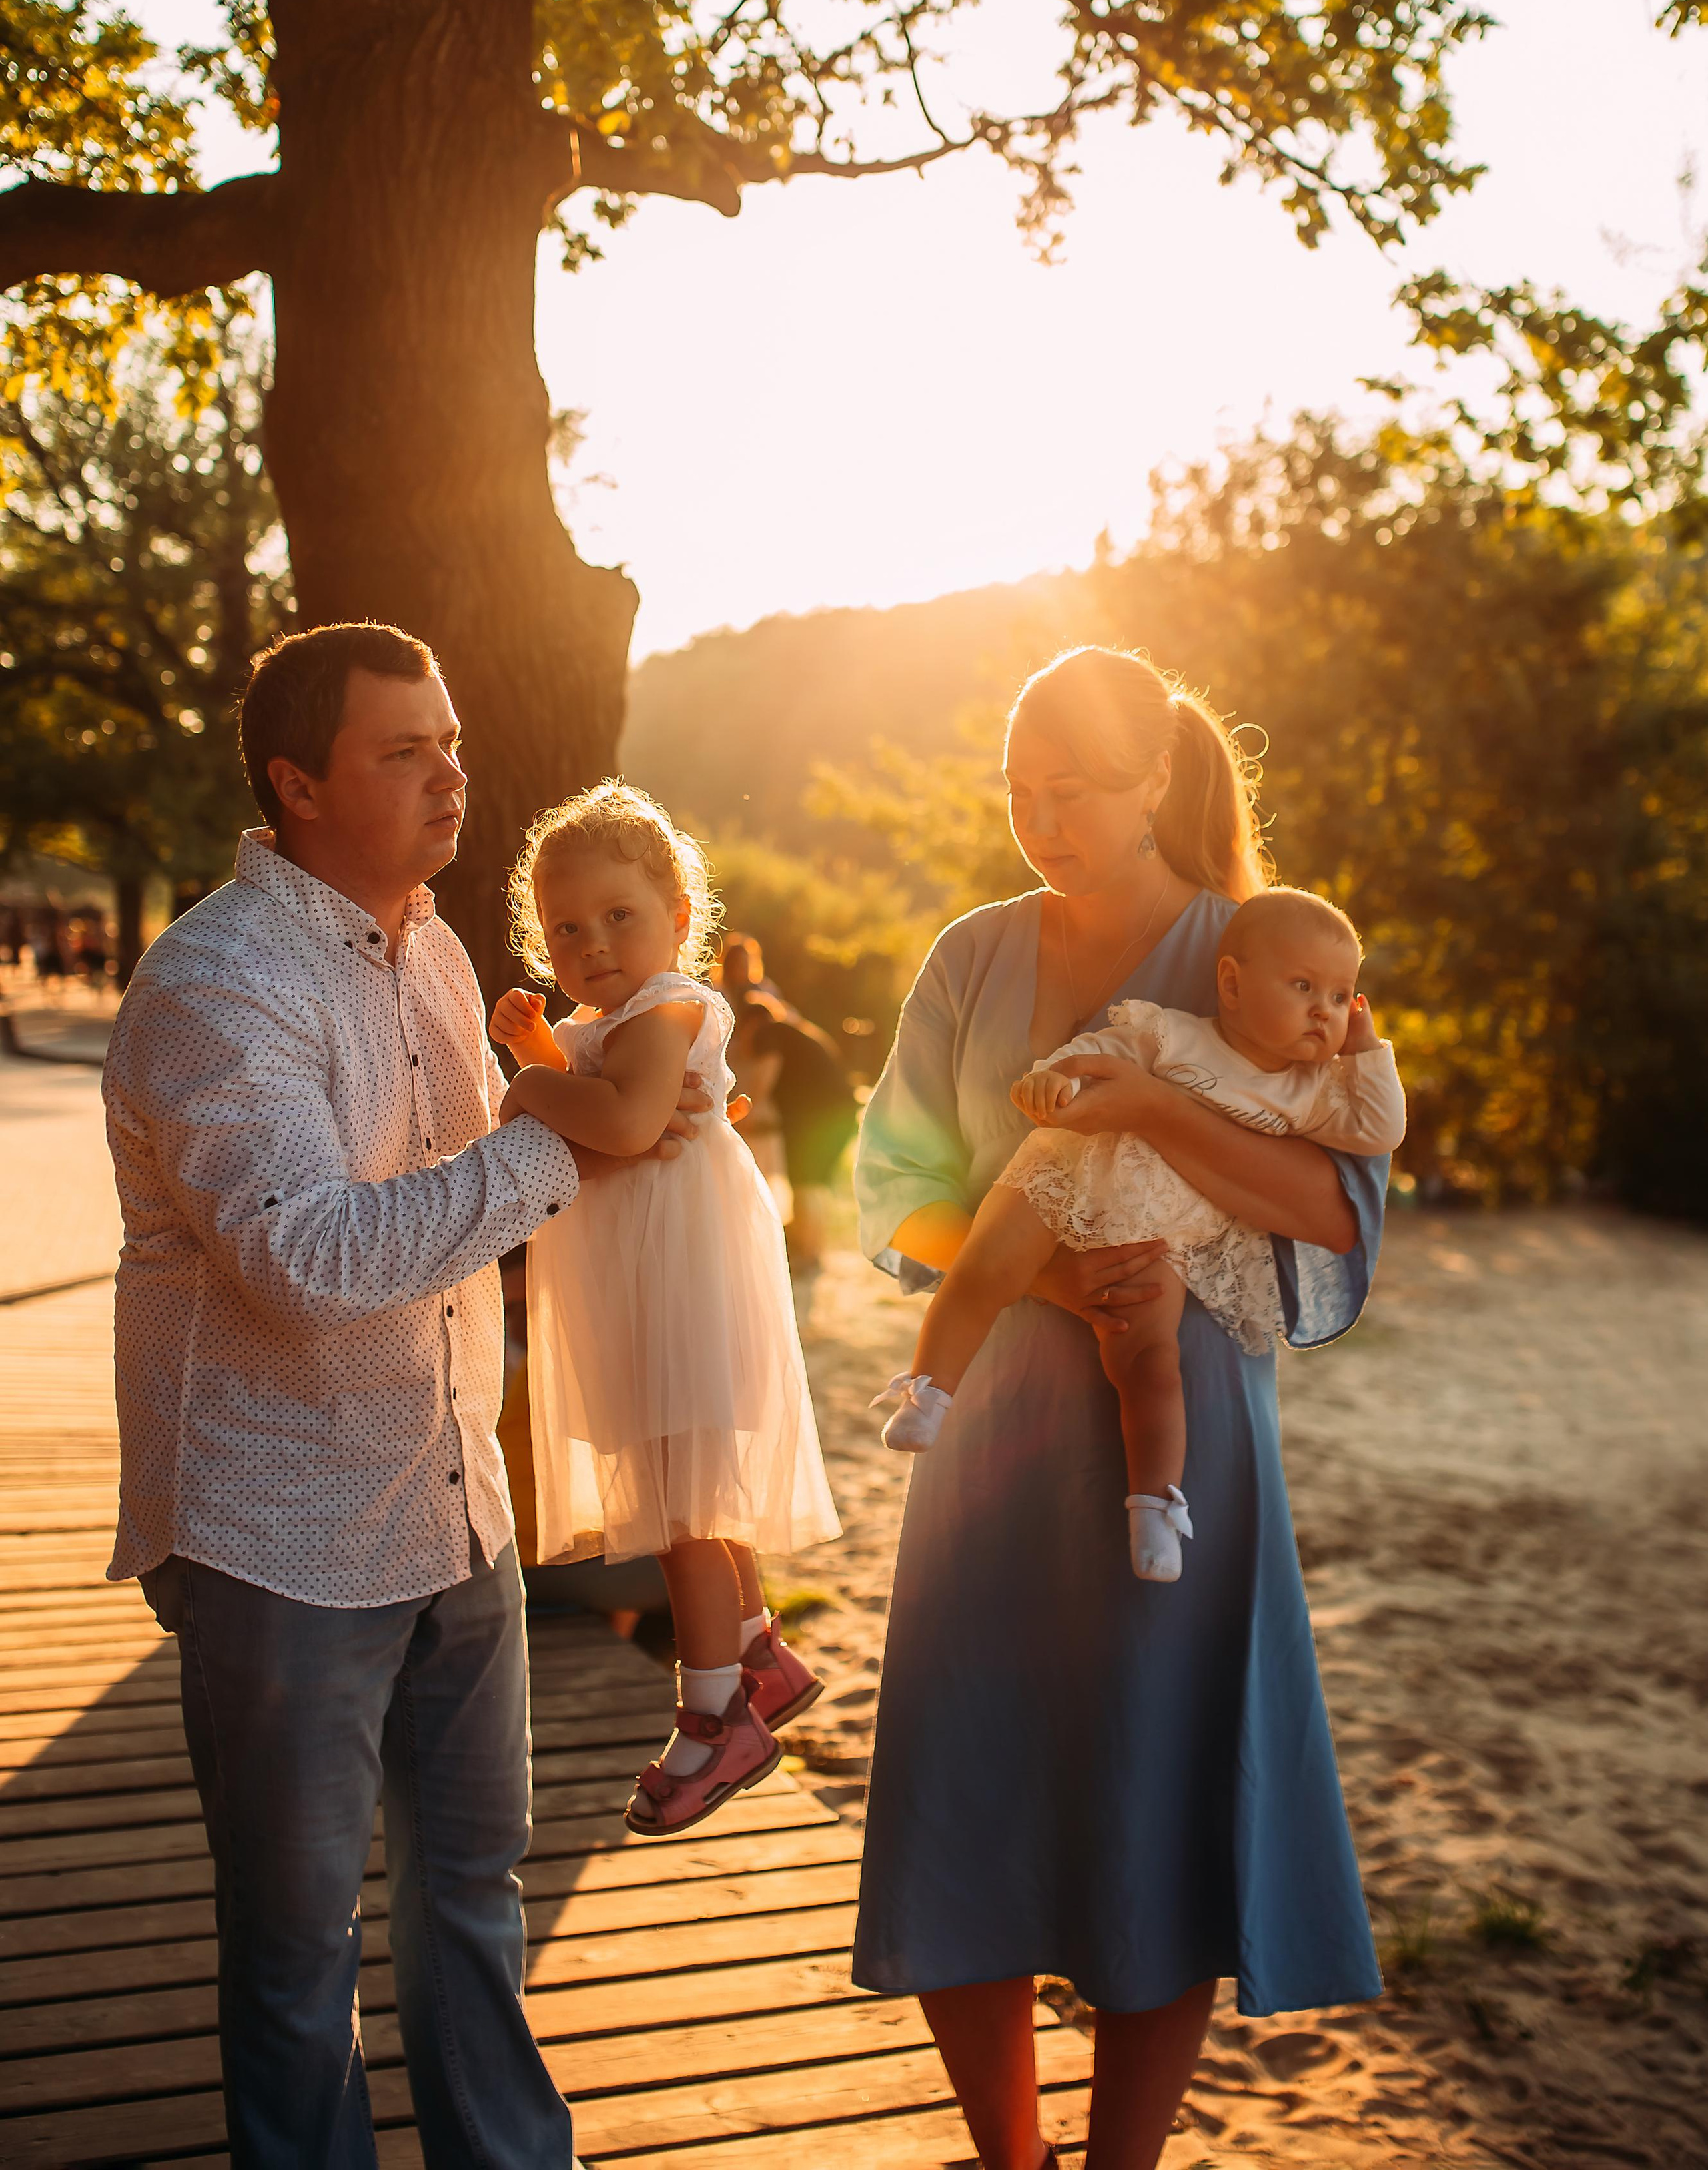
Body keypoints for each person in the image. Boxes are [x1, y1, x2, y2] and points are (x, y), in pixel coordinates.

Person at [102, 621, 717, 2168]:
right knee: (300, 1946)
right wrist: (570, 1141)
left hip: (457, 1507)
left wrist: (646, 1083)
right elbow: (300, 1259)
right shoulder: (216, 985)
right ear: (299, 784)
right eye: (406, 751)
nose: (452, 774)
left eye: (448, 741)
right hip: (278, 1533)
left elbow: (530, 1144)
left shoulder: (439, 950)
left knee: (472, 1897)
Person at [853, 645, 1387, 2170]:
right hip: (996, 1423)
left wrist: (1154, 1108)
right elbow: (896, 1187)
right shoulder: (969, 957)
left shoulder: (1265, 947)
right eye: (1018, 794)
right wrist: (1046, 1287)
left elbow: (1336, 1211)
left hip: (1186, 1436)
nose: (1041, 822)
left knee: (1158, 1786)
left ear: (1153, 778)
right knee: (969, 1784)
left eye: (1073, 792)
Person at [873, 887, 1406, 1579]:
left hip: (1159, 1229)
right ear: (1232, 984)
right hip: (1069, 1167)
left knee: (1150, 1362)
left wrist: (1367, 1048)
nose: (1323, 1010)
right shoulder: (1170, 1031)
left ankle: (1155, 1504)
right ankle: (929, 1390)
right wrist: (1054, 1080)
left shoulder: (1312, 1092)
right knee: (986, 1267)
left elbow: (1377, 1130)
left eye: (1341, 996)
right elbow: (1091, 1054)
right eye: (1304, 987)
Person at [491, 783, 840, 1840]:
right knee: (695, 1490)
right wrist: (557, 1057)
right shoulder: (611, 1020)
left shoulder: (671, 1003)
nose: (591, 943)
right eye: (565, 927)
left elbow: (631, 1123)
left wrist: (525, 1086)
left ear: (681, 917)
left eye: (619, 916)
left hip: (675, 1276)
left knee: (684, 1512)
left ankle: (713, 1714)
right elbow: (608, 1107)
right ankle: (760, 1654)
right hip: (651, 1271)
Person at [731, 991, 859, 1269]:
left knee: (806, 1184)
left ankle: (807, 1255)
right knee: (813, 1184)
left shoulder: (769, 1032)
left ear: (751, 1023)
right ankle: (811, 1251)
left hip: (817, 1118)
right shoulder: (794, 1032)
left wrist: (744, 1111)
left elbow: (765, 1074)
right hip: (838, 1113)